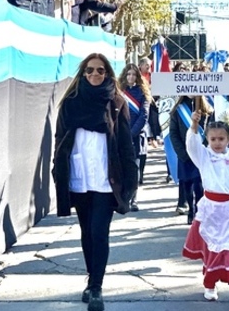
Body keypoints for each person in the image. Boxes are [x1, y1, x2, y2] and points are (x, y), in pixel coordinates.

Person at [52, 53, 137, 311]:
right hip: (80, 177)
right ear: (83, 73)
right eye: (89, 70)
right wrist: (59, 171)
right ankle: (91, 279)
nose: (95, 75)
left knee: (100, 232)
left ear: (108, 73)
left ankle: (97, 288)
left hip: (105, 178)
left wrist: (131, 181)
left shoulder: (117, 102)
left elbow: (125, 144)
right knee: (87, 232)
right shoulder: (70, 103)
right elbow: (60, 139)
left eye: (100, 70)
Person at [181, 118, 229, 311]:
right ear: (207, 139)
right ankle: (210, 282)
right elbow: (192, 146)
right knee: (212, 250)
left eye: (221, 139)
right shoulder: (204, 156)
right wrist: (194, 127)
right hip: (209, 211)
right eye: (213, 139)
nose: (217, 143)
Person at [169, 95, 213, 223]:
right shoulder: (177, 110)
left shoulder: (207, 110)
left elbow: (210, 130)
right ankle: (190, 210)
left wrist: (202, 149)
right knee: (186, 183)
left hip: (201, 154)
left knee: (199, 184)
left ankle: (198, 211)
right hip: (184, 155)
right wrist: (183, 153)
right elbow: (174, 133)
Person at [118, 63, 151, 213]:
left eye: (133, 74)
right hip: (120, 134)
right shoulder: (119, 92)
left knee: (135, 168)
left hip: (137, 136)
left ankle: (134, 199)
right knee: (122, 167)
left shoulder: (143, 93)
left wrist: (132, 133)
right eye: (128, 74)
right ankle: (123, 197)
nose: (131, 77)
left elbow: (144, 115)